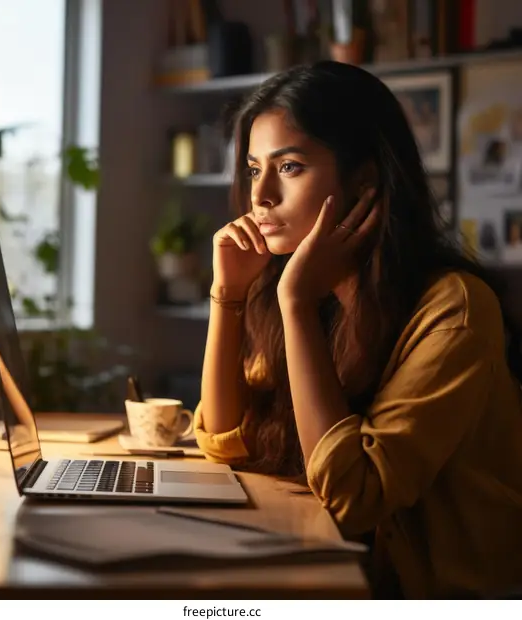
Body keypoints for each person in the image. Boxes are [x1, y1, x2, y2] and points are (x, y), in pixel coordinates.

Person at [193, 60, 522, 599]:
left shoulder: (454, 309)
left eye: (290, 167)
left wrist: (296, 305)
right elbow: (225, 441)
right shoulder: (302, 288)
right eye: (254, 169)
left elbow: (357, 494)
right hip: (334, 573)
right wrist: (227, 295)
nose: (260, 197)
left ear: (363, 182)